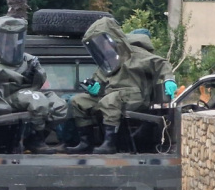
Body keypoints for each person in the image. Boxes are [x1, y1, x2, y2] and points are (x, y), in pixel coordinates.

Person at [66, 17, 176, 154]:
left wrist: (169, 79)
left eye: (102, 41)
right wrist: (94, 87)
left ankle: (109, 143)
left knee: (109, 100)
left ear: (112, 37)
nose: (102, 46)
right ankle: (85, 142)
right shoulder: (109, 58)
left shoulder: (135, 53)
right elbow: (99, 80)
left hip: (135, 96)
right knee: (79, 101)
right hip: (113, 94)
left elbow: (161, 64)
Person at [0, 16, 68, 154]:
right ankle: (37, 142)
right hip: (5, 96)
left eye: (13, 40)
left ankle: (36, 136)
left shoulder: (28, 59)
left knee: (60, 106)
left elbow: (39, 82)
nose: (9, 45)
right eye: (4, 41)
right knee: (38, 101)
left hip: (29, 91)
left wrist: (35, 72)